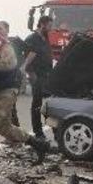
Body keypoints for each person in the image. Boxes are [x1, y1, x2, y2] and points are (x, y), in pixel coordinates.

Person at [0, 11, 48, 179]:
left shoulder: (3, 44)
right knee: (5, 129)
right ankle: (38, 144)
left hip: (7, 89)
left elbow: (10, 64)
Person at [21, 15, 54, 145]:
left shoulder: (44, 37)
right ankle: (38, 132)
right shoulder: (32, 38)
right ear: (42, 24)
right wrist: (26, 71)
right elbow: (29, 56)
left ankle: (51, 128)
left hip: (46, 75)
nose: (51, 28)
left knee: (47, 104)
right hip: (37, 75)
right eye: (49, 26)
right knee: (37, 105)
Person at [0, 21, 25, 127]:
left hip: (13, 79)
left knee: (10, 107)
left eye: (1, 28)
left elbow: (31, 50)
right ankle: (12, 136)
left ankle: (16, 137)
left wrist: (23, 67)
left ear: (7, 30)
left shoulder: (15, 41)